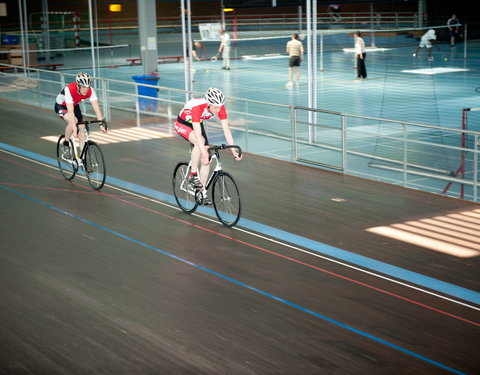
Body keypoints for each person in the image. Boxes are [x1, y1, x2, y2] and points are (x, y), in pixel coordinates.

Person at [174, 87, 242, 204]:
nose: (218, 109)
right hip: (183, 123)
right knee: (199, 142)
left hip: (197, 123)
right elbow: (197, 132)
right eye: (215, 107)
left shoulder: (219, 107)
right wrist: (203, 151)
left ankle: (201, 192)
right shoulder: (197, 107)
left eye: (220, 106)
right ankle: (193, 175)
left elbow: (226, 130)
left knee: (207, 160)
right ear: (208, 104)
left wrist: (233, 150)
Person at [54, 72, 107, 158]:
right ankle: (66, 143)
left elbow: (96, 108)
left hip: (74, 104)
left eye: (87, 87)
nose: (86, 89)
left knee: (82, 131)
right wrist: (74, 129)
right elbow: (70, 111)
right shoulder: (69, 90)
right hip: (61, 106)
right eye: (83, 87)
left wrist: (101, 124)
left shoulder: (90, 91)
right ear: (78, 86)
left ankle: (83, 158)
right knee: (74, 121)